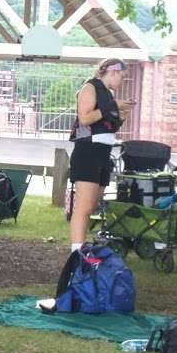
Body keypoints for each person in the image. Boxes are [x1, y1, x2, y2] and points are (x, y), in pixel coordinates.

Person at [66, 59, 131, 254]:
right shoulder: (90, 87)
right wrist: (112, 106)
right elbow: (85, 118)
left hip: (103, 152)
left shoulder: (109, 95)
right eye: (122, 76)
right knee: (84, 206)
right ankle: (77, 252)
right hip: (88, 150)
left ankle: (83, 246)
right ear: (113, 71)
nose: (122, 81)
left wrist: (121, 114)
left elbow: (107, 125)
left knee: (93, 204)